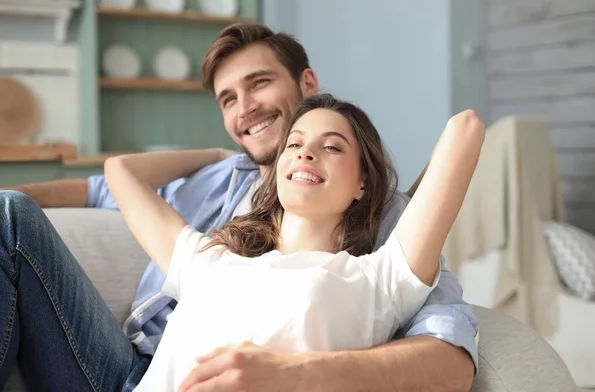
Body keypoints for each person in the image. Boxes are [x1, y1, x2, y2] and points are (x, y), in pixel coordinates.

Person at [1, 24, 481, 391]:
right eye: (228, 99)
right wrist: (214, 157)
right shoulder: (216, 230)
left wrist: (293, 374)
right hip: (126, 366)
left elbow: (450, 356)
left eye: (259, 83)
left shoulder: (384, 239)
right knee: (11, 212)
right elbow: (110, 181)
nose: (244, 108)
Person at [103, 93, 484, 392]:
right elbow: (119, 171)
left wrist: (399, 206)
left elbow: (465, 127)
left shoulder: (379, 277)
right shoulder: (208, 258)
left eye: (332, 147)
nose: (306, 152)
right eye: (294, 144)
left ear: (362, 184)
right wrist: (223, 157)